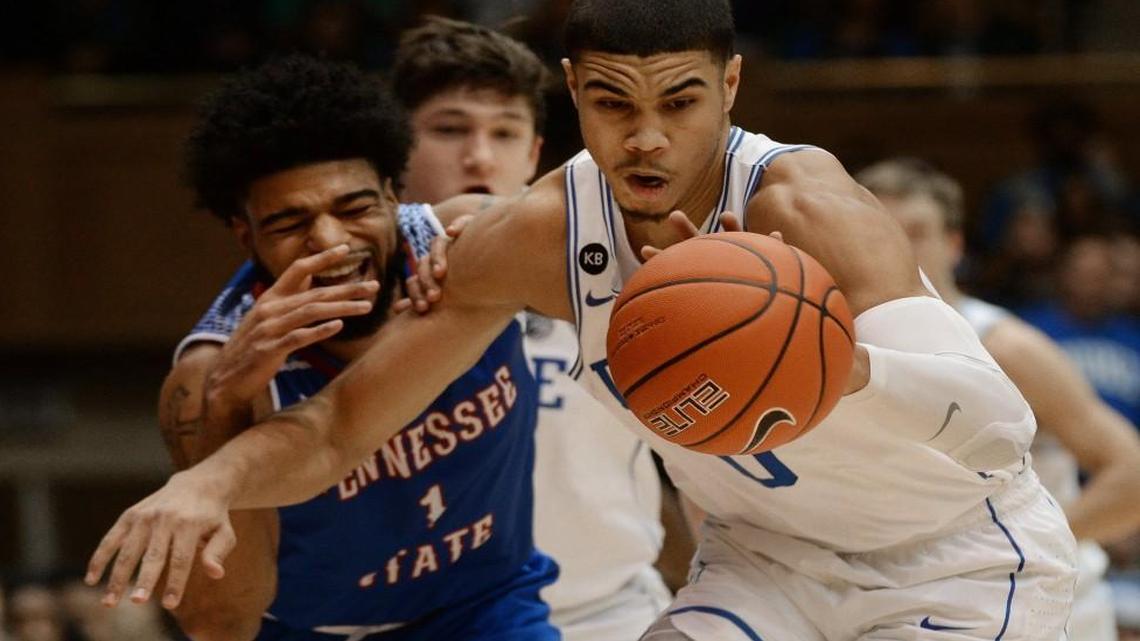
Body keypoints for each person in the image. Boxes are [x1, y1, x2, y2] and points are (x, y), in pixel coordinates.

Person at [89, 2, 1079, 639]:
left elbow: (1000, 426)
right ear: (572, 93)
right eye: (612, 102)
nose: (645, 137)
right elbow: (344, 425)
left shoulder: (802, 204)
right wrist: (209, 478)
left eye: (681, 101)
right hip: (765, 563)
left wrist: (838, 365)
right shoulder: (534, 239)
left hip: (946, 557)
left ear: (729, 88)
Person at [139, 55, 558, 640]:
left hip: (484, 609)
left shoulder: (461, 244)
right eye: (289, 222)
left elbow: (590, 239)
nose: (330, 243)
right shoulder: (209, 373)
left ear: (394, 195)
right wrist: (229, 406)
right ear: (245, 233)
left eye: (355, 208)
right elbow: (222, 623)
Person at [390, 17, 671, 640]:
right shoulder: (369, 278)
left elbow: (711, 460)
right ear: (395, 145)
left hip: (615, 611)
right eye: (449, 129)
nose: (480, 156)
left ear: (535, 153)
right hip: (435, 621)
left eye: (504, 132)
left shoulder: (616, 256)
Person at [859, 157, 1140, 641]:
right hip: (915, 598)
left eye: (917, 231)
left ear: (954, 244)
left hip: (1042, 602)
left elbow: (1130, 475)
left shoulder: (1007, 346)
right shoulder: (845, 344)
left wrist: (1019, 546)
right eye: (882, 231)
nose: (900, 247)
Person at [1020, 237, 1140, 428]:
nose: (1089, 284)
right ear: (1065, 275)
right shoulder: (1030, 330)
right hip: (1050, 447)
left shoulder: (1133, 338)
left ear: (1111, 280)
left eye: (1098, 276)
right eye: (1082, 274)